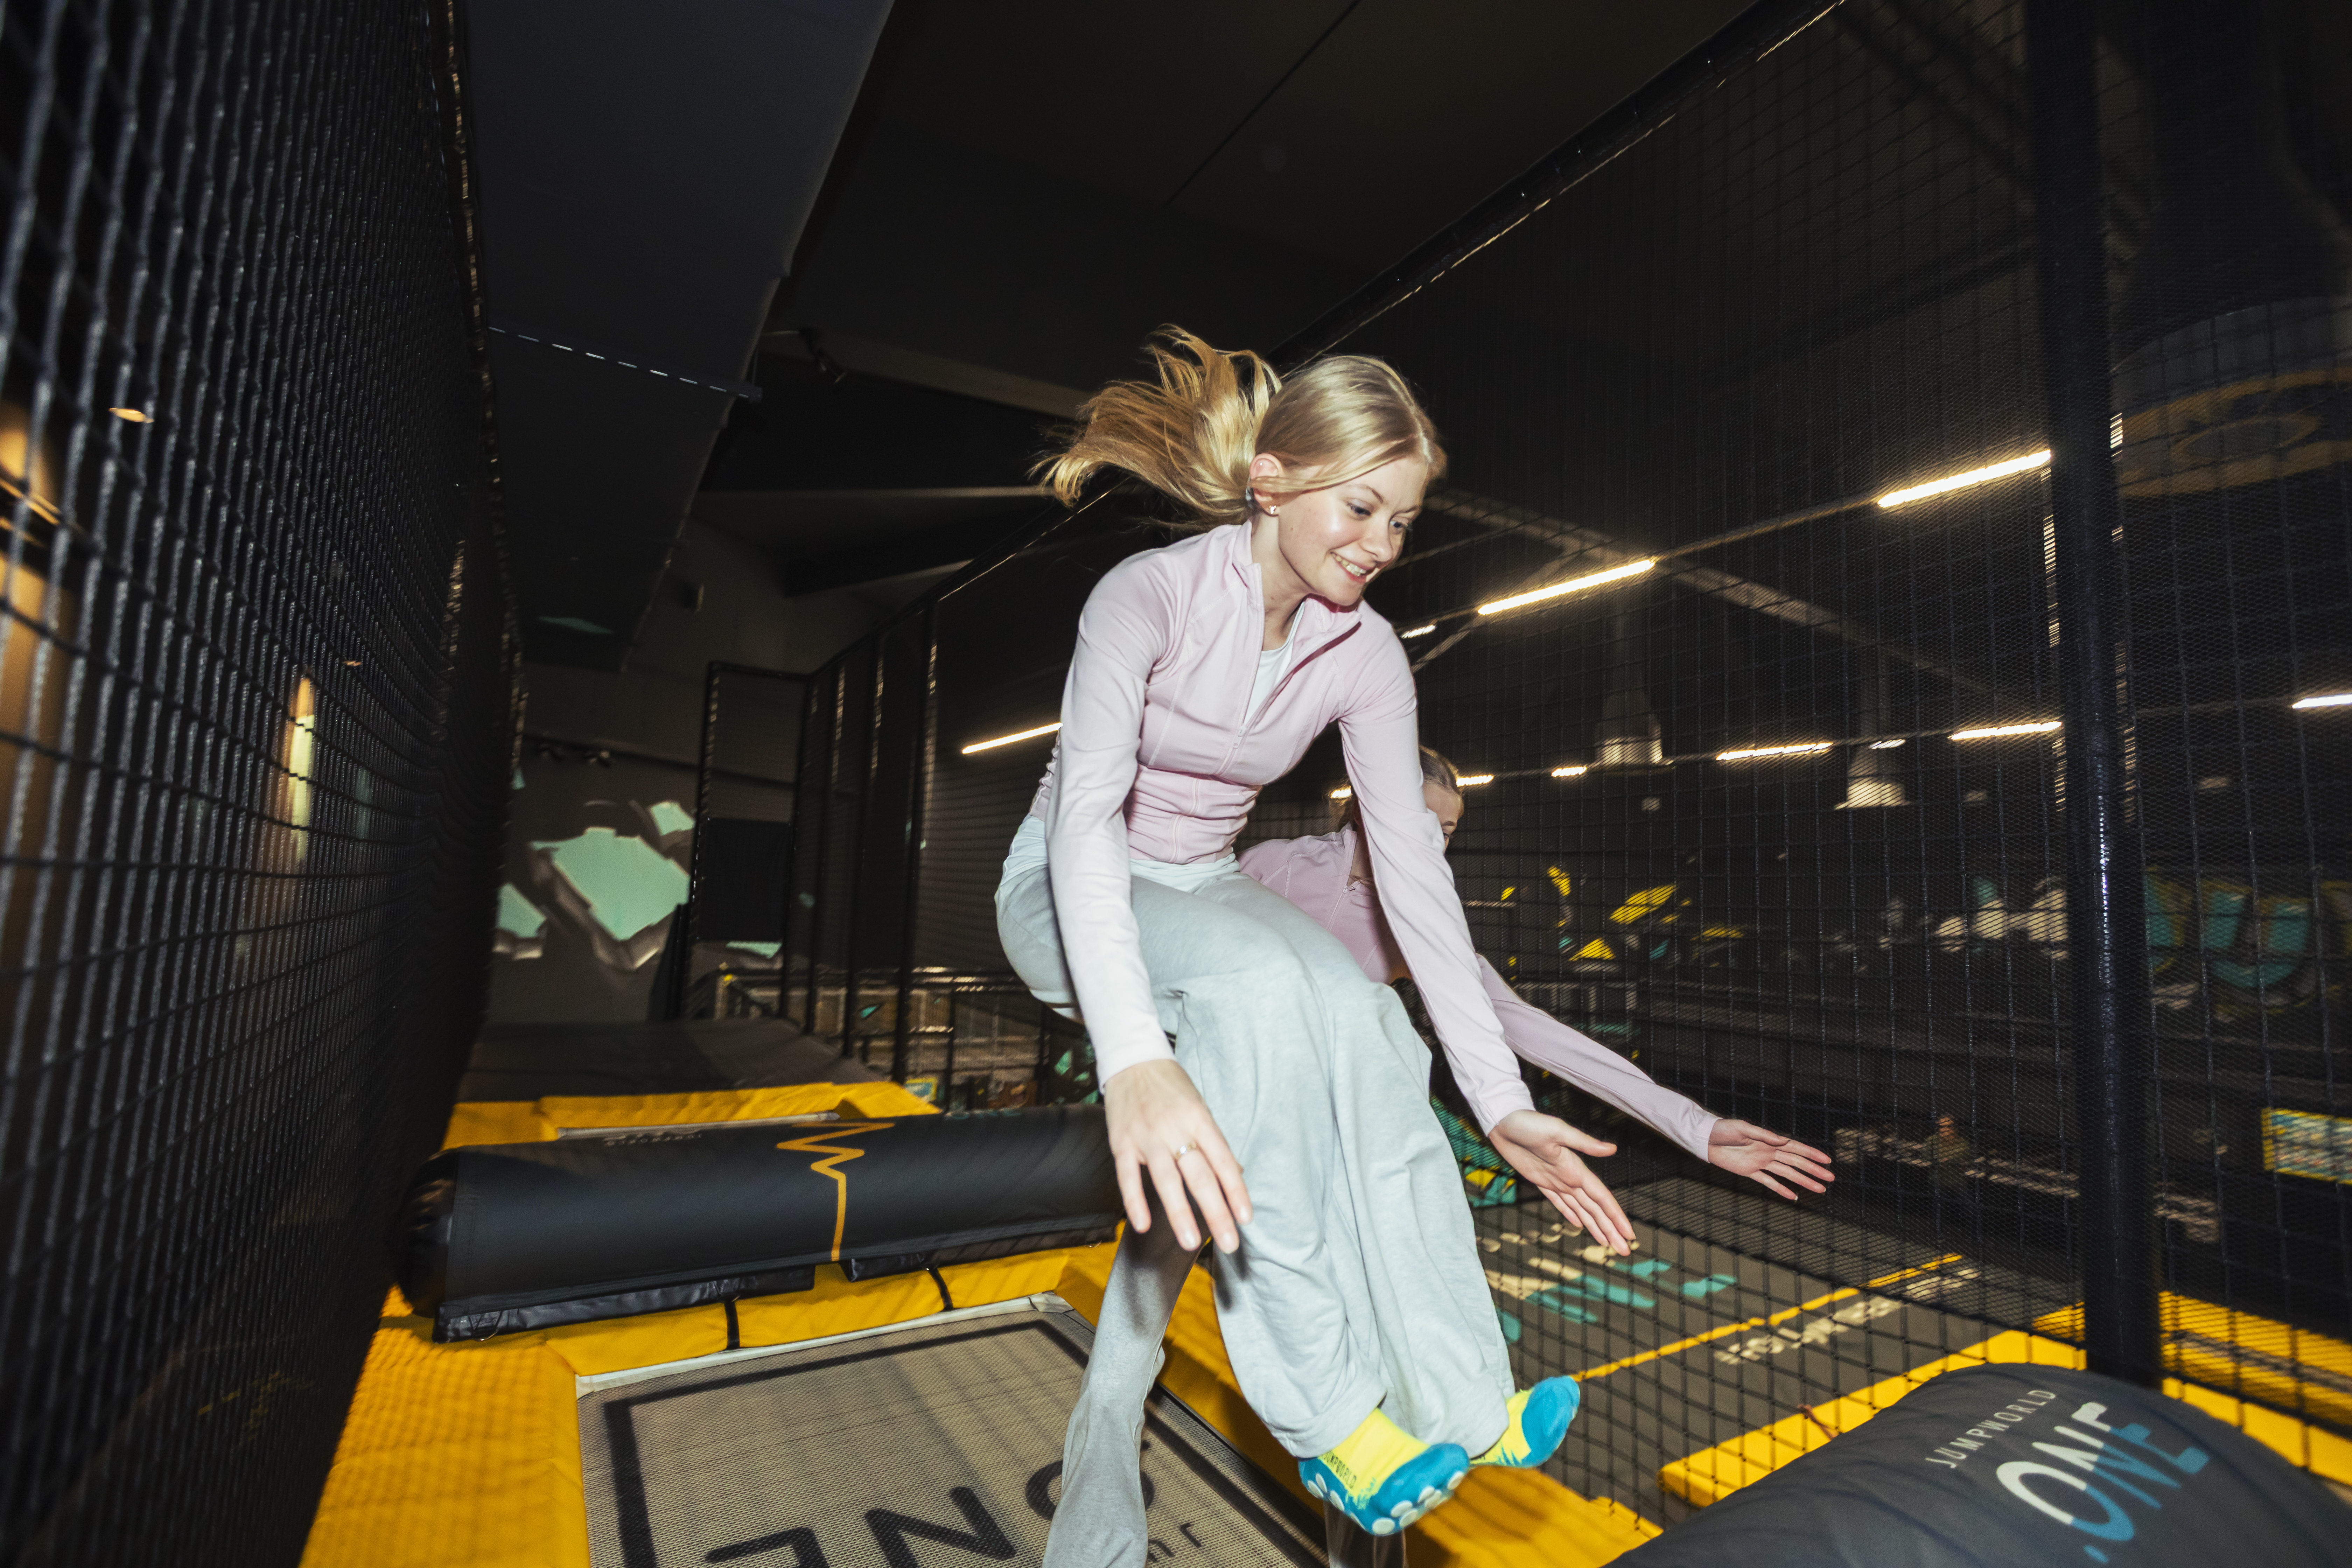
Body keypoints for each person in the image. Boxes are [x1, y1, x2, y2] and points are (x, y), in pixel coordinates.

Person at [996, 329, 1613, 1560]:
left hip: (1206, 889)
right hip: (1067, 892)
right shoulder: (1148, 596)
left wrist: (1499, 1099)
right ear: (1272, 481)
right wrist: (1134, 1060)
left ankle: (1460, 1397)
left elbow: (1415, 885)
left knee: (1372, 1020)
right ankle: (1332, 1419)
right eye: (1362, 507)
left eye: (1404, 522)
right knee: (1267, 993)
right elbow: (1085, 827)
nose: (1382, 544)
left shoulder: (1365, 653)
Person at [1239, 747, 1836, 1203]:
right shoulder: (1274, 866)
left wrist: (1692, 1125)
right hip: (1222, 1084)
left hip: (1314, 1118)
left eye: (1446, 833)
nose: (1432, 844)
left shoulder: (1424, 924)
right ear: (1370, 806)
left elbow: (1523, 1024)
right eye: (1421, 823)